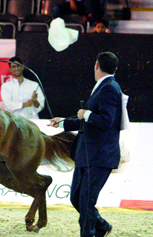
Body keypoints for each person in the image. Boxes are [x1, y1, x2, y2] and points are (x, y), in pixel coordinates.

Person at [49, 52, 121, 237]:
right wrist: (63, 122)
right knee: (77, 198)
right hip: (87, 154)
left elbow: (106, 121)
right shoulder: (103, 87)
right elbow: (88, 122)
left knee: (86, 202)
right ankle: (102, 226)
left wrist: (86, 114)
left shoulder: (109, 88)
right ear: (115, 68)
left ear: (96, 66)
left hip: (98, 155)